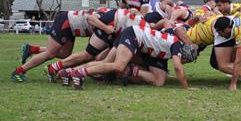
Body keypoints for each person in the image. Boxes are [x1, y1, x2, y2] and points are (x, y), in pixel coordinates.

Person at [63, 23, 198, 90]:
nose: (184, 62)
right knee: (118, 65)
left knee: (159, 81)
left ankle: (71, 72)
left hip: (137, 39)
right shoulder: (176, 46)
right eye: (186, 61)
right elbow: (178, 68)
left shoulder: (174, 42)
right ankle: (78, 72)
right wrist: (186, 87)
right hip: (133, 35)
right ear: (185, 56)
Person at [45, 8, 144, 85]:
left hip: (119, 33)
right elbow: (90, 18)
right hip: (113, 29)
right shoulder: (110, 15)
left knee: (100, 58)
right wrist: (106, 28)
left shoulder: (136, 19)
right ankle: (57, 67)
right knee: (88, 55)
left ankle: (68, 71)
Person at [11, 8, 110, 82]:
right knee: (50, 53)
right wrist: (106, 29)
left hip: (72, 27)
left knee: (64, 54)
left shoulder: (113, 14)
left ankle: (32, 49)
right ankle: (18, 72)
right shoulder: (111, 18)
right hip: (66, 22)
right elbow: (90, 18)